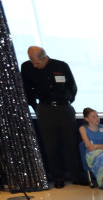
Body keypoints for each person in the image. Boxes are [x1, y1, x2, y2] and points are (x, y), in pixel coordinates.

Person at [21, 46, 83, 189]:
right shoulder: (27, 67)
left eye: (37, 62)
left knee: (70, 143)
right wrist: (35, 107)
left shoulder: (61, 66)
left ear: (45, 58)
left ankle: (77, 176)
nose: (34, 65)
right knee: (51, 145)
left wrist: (66, 100)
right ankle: (58, 177)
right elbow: (26, 89)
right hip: (45, 108)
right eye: (32, 61)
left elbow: (72, 86)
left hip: (64, 107)